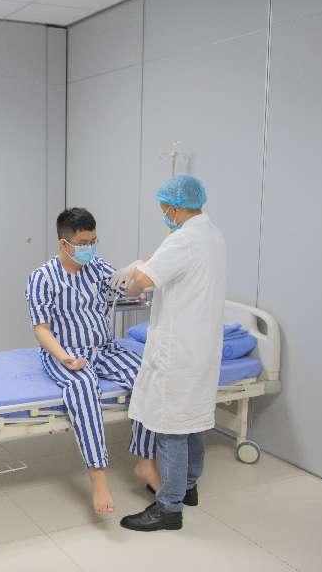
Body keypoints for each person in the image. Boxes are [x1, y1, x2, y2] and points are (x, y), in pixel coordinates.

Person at [110, 175, 227, 532]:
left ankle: (168, 507)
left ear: (175, 208)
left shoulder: (183, 240)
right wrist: (150, 262)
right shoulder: (213, 236)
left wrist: (134, 271)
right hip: (202, 347)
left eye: (164, 209)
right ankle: (188, 487)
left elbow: (140, 285)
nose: (164, 215)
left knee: (171, 427)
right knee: (192, 422)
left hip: (178, 349)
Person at [25, 208, 153, 515]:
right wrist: (65, 358)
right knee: (83, 387)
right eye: (83, 243)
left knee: (147, 376)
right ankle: (97, 476)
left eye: (94, 241)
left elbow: (124, 287)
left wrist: (140, 271)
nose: (90, 248)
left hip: (104, 348)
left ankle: (146, 461)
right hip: (65, 351)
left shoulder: (97, 267)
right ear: (64, 243)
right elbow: (41, 329)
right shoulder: (42, 278)